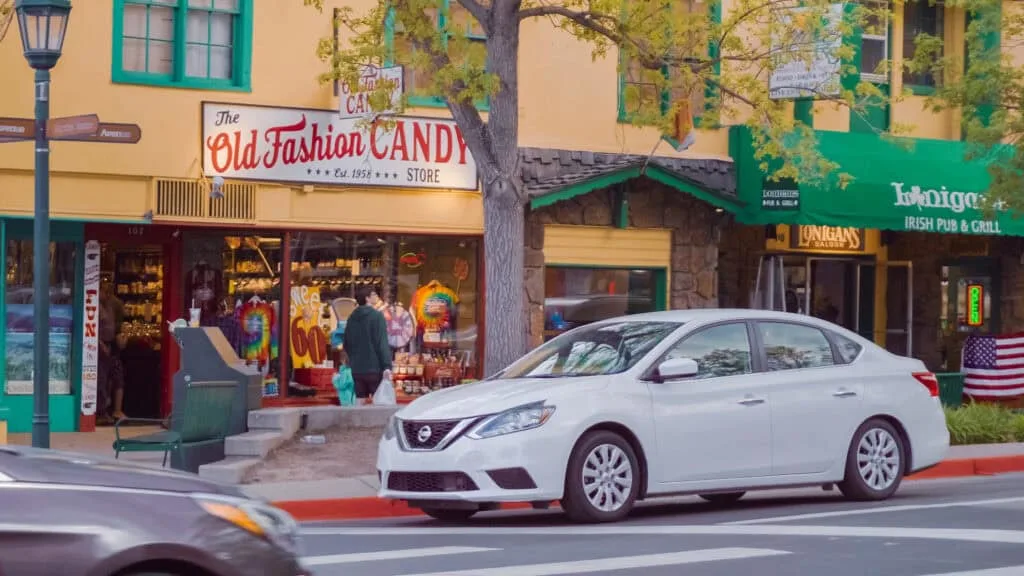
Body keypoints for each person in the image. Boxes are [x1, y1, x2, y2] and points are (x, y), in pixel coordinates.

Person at [343, 286, 392, 405]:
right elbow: (382, 343)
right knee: (378, 403)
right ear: (367, 298)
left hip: (357, 369)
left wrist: (353, 360)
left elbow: (346, 343)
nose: (377, 297)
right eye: (374, 295)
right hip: (374, 368)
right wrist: (386, 366)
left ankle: (358, 424)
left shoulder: (351, 318)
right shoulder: (377, 316)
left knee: (359, 402)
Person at [97, 282, 126, 423]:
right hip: (101, 346)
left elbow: (116, 325)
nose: (107, 295)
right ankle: (101, 412)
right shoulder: (95, 306)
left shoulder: (111, 305)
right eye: (105, 292)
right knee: (102, 379)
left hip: (112, 345)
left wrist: (119, 337)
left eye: (109, 292)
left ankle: (116, 411)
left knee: (116, 376)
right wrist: (100, 343)